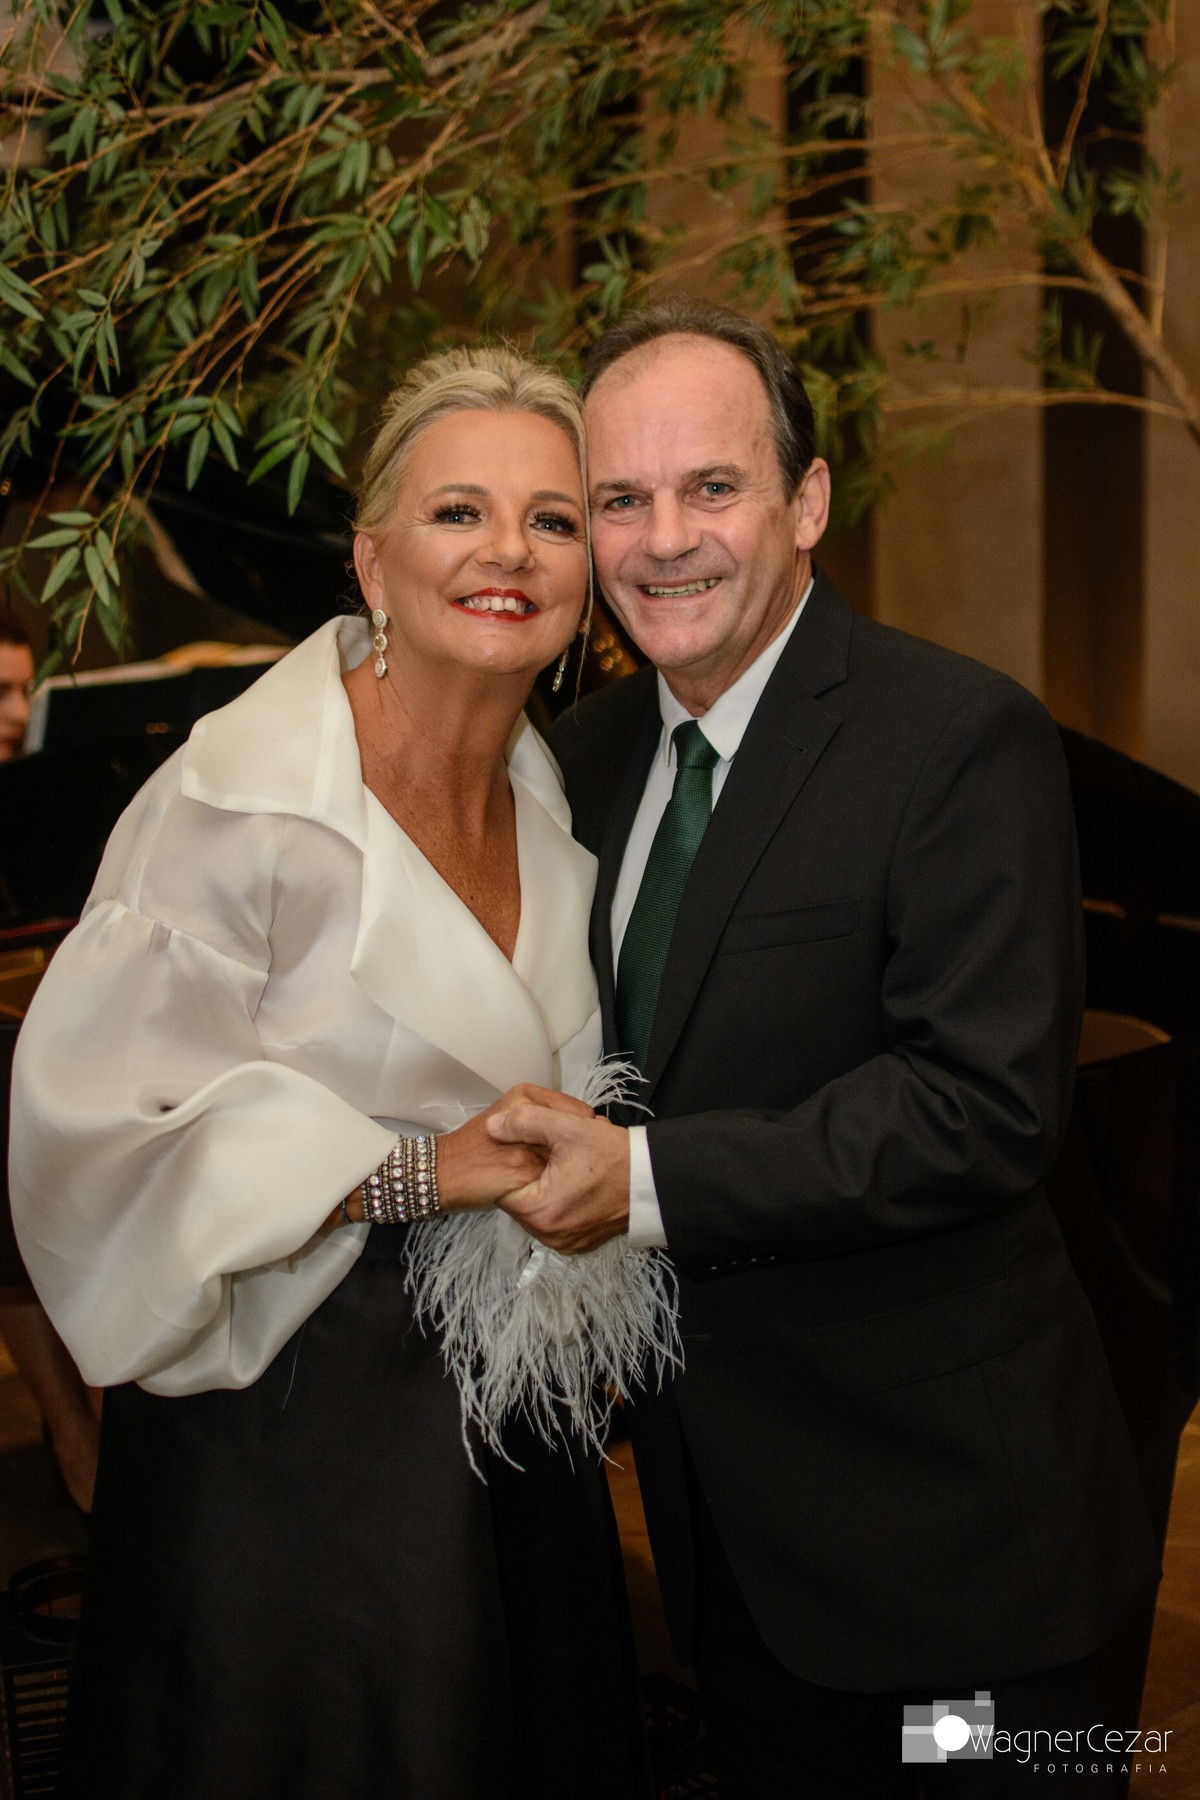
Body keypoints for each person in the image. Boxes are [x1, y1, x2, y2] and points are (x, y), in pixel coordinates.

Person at [488, 301, 1159, 1798]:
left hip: (967, 1573)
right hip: (729, 1558)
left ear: (805, 503)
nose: (666, 539)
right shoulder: (579, 761)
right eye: (620, 499)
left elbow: (979, 1109)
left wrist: (639, 1183)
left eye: (712, 487)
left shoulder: (957, 738)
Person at [9, 349, 652, 1800]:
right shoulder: (238, 799)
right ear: (372, 560)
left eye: (553, 519)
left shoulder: (550, 792)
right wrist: (419, 1168)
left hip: (506, 1417)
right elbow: (95, 1132)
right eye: (458, 512)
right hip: (290, 1434)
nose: (509, 551)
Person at [0, 615, 104, 1511]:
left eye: (23, 690)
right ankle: (76, 1440)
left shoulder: (42, 796)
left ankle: (102, 1427)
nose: (16, 712)